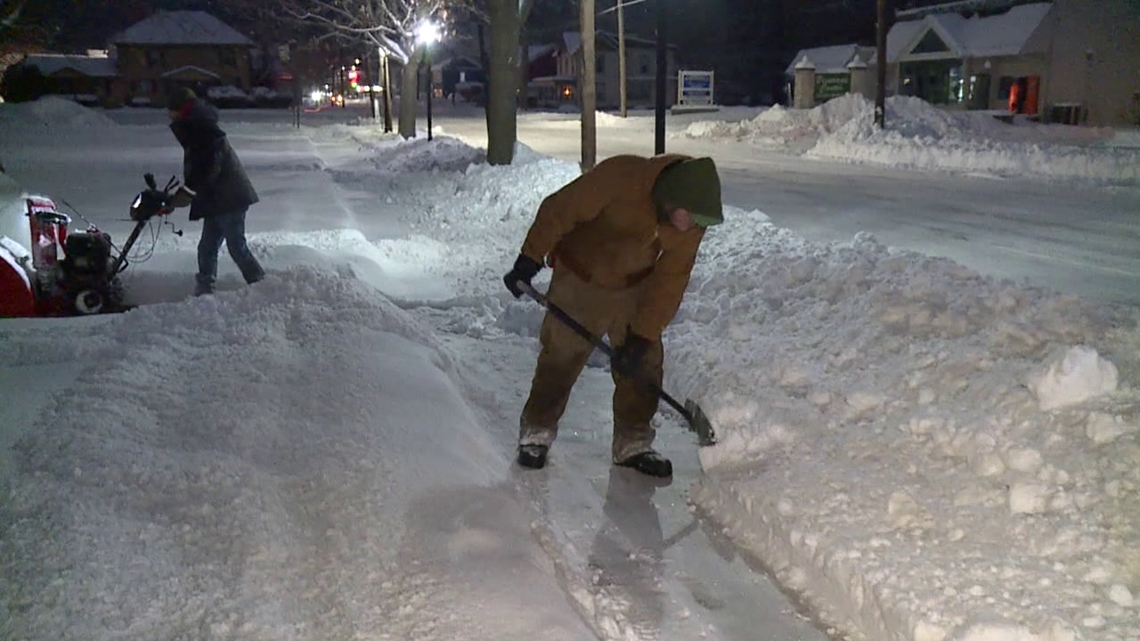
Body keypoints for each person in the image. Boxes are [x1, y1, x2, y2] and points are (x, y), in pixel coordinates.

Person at [503, 154, 724, 478]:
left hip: (635, 285)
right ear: (671, 197)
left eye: (697, 221)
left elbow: (671, 279)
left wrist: (642, 335)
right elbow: (559, 209)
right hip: (580, 278)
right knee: (561, 354)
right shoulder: (621, 177)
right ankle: (537, 431)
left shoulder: (690, 222)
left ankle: (633, 441)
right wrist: (529, 258)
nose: (690, 226)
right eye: (688, 217)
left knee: (645, 362)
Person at [166, 87, 264, 296]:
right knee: (207, 248)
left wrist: (189, 191)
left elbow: (210, 167)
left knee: (236, 246)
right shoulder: (196, 127)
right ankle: (204, 291)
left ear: (181, 110)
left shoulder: (203, 129)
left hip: (229, 197)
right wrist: (187, 191)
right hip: (215, 199)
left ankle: (261, 285)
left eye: (171, 110)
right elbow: (200, 168)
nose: (168, 115)